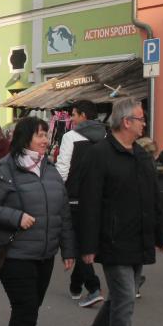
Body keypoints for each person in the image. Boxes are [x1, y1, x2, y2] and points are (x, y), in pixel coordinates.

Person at [76, 98, 163, 326]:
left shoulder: (141, 154)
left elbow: (153, 197)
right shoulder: (99, 154)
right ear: (126, 122)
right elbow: (90, 203)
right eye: (140, 118)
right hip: (113, 239)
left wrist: (161, 234)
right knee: (126, 298)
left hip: (137, 238)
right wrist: (87, 246)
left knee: (121, 296)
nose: (144, 123)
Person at [0, 116, 76, 326]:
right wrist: (16, 217)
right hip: (14, 255)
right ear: (25, 139)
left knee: (28, 312)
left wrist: (68, 249)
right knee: (25, 309)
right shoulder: (4, 169)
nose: (45, 140)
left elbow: (62, 212)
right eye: (40, 135)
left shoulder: (50, 170)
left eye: (46, 134)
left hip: (45, 255)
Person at [58, 100, 108, 309]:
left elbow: (63, 168)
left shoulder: (70, 137)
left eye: (75, 114)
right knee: (84, 241)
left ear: (84, 116)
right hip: (99, 198)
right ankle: (75, 285)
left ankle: (93, 287)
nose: (72, 118)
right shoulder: (106, 137)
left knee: (77, 243)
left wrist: (57, 191)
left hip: (75, 197)